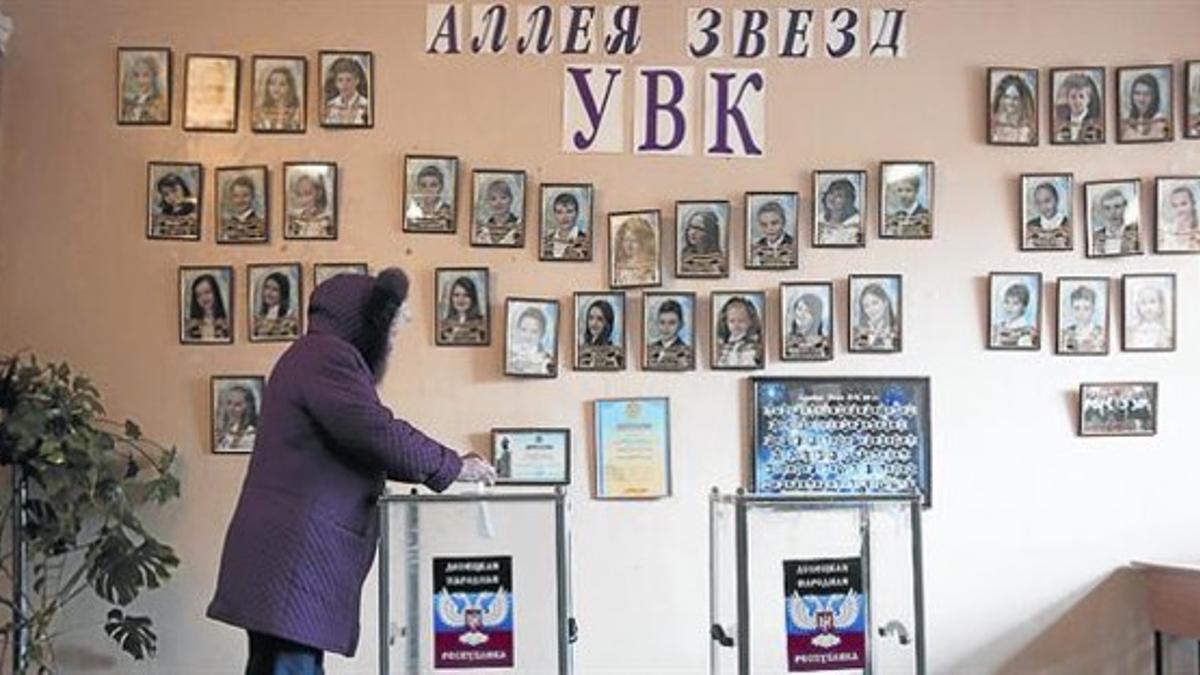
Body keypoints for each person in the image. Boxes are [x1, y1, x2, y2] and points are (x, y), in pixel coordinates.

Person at [208, 268, 496, 674]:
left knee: (279, 664)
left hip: (286, 555)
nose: (394, 338)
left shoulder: (310, 356)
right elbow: (374, 430)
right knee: (291, 665)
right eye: (391, 326)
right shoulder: (326, 356)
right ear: (364, 322)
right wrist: (454, 467)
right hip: (294, 557)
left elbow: (364, 436)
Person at [1053, 73, 1104, 143]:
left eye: (1081, 96)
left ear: (1088, 99)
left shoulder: (1095, 123)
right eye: (1073, 97)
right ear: (1068, 99)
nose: (1077, 101)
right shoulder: (1063, 124)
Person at [715, 296, 762, 368]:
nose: (736, 325)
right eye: (732, 321)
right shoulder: (724, 344)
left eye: (741, 321)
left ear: (750, 322)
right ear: (725, 322)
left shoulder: (752, 344)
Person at [438, 276, 487, 345]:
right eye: (456, 295)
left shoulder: (483, 324)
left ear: (473, 298)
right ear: (451, 298)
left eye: (466, 295)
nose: (461, 300)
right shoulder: (444, 325)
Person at [1121, 73, 1170, 141]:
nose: (1141, 99)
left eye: (1146, 94)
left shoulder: (1161, 122)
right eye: (1137, 93)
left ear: (1154, 96)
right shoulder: (1126, 120)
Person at [1091, 188, 1140, 256]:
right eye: (1107, 208)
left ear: (1125, 206)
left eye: (1117, 207)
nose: (1112, 213)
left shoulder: (1136, 233)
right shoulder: (1094, 237)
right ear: (1102, 210)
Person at [646, 299, 691, 370]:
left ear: (681, 324)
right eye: (662, 322)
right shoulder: (649, 350)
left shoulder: (687, 352)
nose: (666, 327)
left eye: (672, 323)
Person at [990, 74, 1037, 144]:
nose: (1010, 102)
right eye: (1007, 97)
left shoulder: (1028, 128)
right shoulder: (994, 125)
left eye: (1015, 99)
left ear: (1023, 101)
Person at [406, 164, 454, 232]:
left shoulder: (448, 212)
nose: (428, 190)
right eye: (423, 186)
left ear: (440, 187)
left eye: (433, 185)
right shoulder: (412, 212)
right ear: (418, 188)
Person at [323, 57, 370, 125]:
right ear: (336, 83)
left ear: (357, 81)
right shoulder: (330, 106)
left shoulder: (366, 105)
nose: (344, 84)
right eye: (340, 80)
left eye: (348, 80)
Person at [121, 54, 167, 123]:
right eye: (136, 75)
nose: (140, 80)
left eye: (145, 75)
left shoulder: (159, 102)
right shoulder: (127, 101)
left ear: (153, 77)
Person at [508, 306, 554, 375]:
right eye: (524, 329)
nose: (528, 336)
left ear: (542, 334)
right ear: (518, 329)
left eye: (534, 331)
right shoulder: (511, 353)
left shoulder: (545, 359)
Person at [612, 216, 657, 287]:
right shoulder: (618, 266)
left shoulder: (649, 266)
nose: (629, 245)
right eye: (626, 240)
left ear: (641, 242)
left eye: (633, 241)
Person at [287, 172, 335, 239]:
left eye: (308, 194)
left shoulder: (327, 220)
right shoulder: (293, 220)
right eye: (299, 195)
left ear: (319, 193)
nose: (304, 200)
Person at [543, 192, 589, 260]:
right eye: (559, 212)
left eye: (569, 211)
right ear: (554, 214)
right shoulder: (546, 242)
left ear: (576, 213)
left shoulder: (586, 241)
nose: (564, 217)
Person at [883, 171, 930, 237]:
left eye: (908, 190)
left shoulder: (925, 214)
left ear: (917, 191)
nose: (903, 195)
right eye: (899, 190)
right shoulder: (892, 216)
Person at [1024, 182, 1071, 249]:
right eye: (1038, 202)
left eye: (1047, 201)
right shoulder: (1030, 225)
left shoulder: (1068, 224)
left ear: (1056, 199)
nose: (1043, 206)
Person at [254, 272, 300, 339]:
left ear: (282, 294)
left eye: (275, 290)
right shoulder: (258, 318)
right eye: (267, 287)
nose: (269, 293)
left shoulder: (289, 319)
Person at [578, 299, 622, 370]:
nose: (593, 323)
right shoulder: (579, 351)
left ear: (607, 323)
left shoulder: (616, 353)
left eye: (600, 319)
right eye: (591, 318)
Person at [255, 66, 303, 131]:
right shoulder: (261, 112)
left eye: (282, 84)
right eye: (272, 83)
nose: (276, 88)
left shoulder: (297, 112)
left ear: (290, 87)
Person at [816, 178, 862, 246]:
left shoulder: (855, 222)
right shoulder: (819, 220)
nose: (833, 198)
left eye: (839, 196)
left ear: (848, 200)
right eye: (831, 193)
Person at [475, 179, 521, 246]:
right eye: (493, 199)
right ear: (488, 202)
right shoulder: (483, 230)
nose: (498, 203)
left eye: (503, 197)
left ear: (511, 199)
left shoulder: (519, 226)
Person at [679, 209, 725, 275]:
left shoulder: (721, 261)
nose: (692, 232)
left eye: (699, 229)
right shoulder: (682, 259)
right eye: (691, 227)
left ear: (710, 233)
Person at [852, 283, 898, 350]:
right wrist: (870, 335)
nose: (871, 309)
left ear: (885, 303)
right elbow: (859, 349)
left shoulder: (895, 329)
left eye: (875, 303)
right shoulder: (859, 331)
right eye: (866, 306)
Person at [1060, 285, 1105, 353]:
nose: (1081, 313)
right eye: (1077, 308)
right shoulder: (1064, 335)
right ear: (1072, 309)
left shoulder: (1102, 334)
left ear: (1093, 309)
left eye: (1086, 308)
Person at [186, 274, 230, 342]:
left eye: (207, 292)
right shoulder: (190, 326)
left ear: (215, 293)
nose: (204, 298)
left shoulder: (227, 324)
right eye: (199, 295)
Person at [152, 172, 198, 238]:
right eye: (166, 194)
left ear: (183, 189)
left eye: (174, 191)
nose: (171, 197)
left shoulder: (193, 207)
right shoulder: (166, 211)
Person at [748, 201, 795, 266]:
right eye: (764, 224)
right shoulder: (757, 246)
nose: (769, 228)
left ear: (783, 222)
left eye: (774, 223)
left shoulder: (793, 244)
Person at [221, 175, 266, 242]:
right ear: (231, 198)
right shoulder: (226, 225)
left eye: (245, 195)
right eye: (236, 196)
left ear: (253, 196)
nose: (240, 200)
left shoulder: (261, 225)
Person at [991, 282, 1037, 348]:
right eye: (1007, 302)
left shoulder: (1027, 331)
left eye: (1015, 303)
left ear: (1024, 306)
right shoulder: (999, 326)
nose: (1010, 306)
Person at [784, 293, 829, 359]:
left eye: (804, 310)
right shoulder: (787, 344)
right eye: (797, 309)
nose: (797, 314)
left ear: (815, 315)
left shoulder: (825, 346)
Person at [1126, 284, 1171, 350]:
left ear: (1160, 305)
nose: (1148, 307)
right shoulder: (1132, 331)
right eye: (1143, 303)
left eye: (1152, 302)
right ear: (1138, 307)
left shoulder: (1164, 332)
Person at [216, 384, 258, 451]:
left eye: (237, 405)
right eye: (229, 403)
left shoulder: (250, 436)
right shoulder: (223, 431)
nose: (231, 408)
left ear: (248, 408)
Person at [1159, 185, 1200, 251]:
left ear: (1193, 203)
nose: (1179, 209)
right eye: (1175, 206)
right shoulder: (1167, 230)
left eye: (1183, 204)